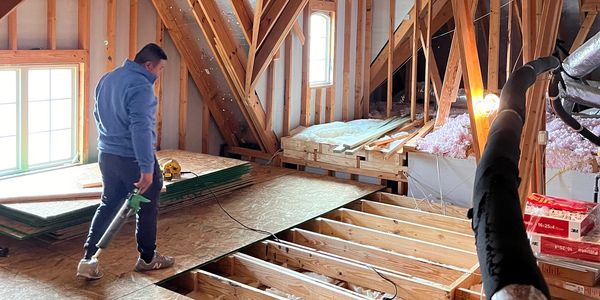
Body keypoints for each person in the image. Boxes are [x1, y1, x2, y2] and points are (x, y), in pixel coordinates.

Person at [76, 43, 173, 280]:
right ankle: (148, 259)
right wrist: (146, 168)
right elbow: (141, 129)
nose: (159, 74)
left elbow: (98, 114)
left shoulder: (109, 78)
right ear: (148, 65)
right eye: (160, 69)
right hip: (132, 158)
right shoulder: (141, 87)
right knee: (147, 209)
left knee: (108, 204)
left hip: (107, 155)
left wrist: (108, 144)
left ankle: (88, 260)